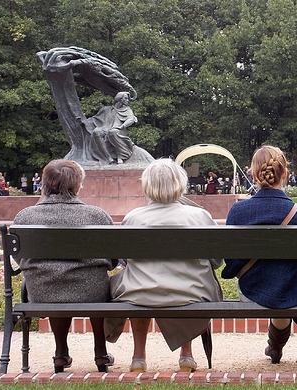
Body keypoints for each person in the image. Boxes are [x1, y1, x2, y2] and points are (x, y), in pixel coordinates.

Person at [108, 159, 222, 373]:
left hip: (140, 291)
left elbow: (123, 260)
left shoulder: (133, 218)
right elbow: (216, 262)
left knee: (136, 282)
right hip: (192, 291)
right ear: (181, 184)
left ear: (147, 186)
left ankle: (138, 357)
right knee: (190, 280)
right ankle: (186, 355)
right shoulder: (200, 216)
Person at [221, 145, 297, 365]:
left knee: (276, 291)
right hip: (293, 291)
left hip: (251, 291)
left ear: (253, 174)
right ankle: (280, 343)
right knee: (284, 292)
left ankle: (275, 346)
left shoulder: (237, 211)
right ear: (285, 174)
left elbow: (229, 262)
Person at [13, 159, 115, 373]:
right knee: (97, 280)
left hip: (42, 291)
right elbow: (113, 259)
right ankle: (100, 353)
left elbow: (19, 259)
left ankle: (60, 353)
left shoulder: (25, 217)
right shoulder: (96, 215)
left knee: (55, 280)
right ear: (77, 185)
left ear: (44, 184)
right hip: (91, 291)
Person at [85, 91, 137, 164]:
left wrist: (122, 126)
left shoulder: (127, 110)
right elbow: (94, 118)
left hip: (118, 129)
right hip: (105, 128)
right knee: (96, 132)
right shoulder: (106, 109)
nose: (127, 100)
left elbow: (131, 119)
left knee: (112, 132)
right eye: (126, 98)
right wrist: (84, 121)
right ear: (120, 99)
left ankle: (120, 156)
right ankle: (107, 157)